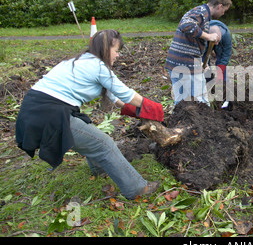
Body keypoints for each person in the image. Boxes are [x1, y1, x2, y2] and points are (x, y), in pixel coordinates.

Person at [15, 29, 164, 200]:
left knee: (90, 132)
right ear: (106, 49)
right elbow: (127, 94)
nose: (117, 56)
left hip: (34, 111)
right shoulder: (97, 66)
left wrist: (139, 112)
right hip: (50, 115)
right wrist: (154, 109)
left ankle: (100, 170)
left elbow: (116, 98)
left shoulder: (77, 62)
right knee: (104, 143)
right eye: (116, 51)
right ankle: (138, 189)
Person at [165, 0, 232, 106]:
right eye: (224, 11)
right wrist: (208, 36)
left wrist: (200, 63)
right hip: (185, 64)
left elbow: (192, 42)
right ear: (220, 6)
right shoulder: (202, 12)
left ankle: (180, 123)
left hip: (177, 62)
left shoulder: (201, 14)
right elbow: (186, 25)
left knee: (182, 104)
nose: (223, 14)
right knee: (201, 102)